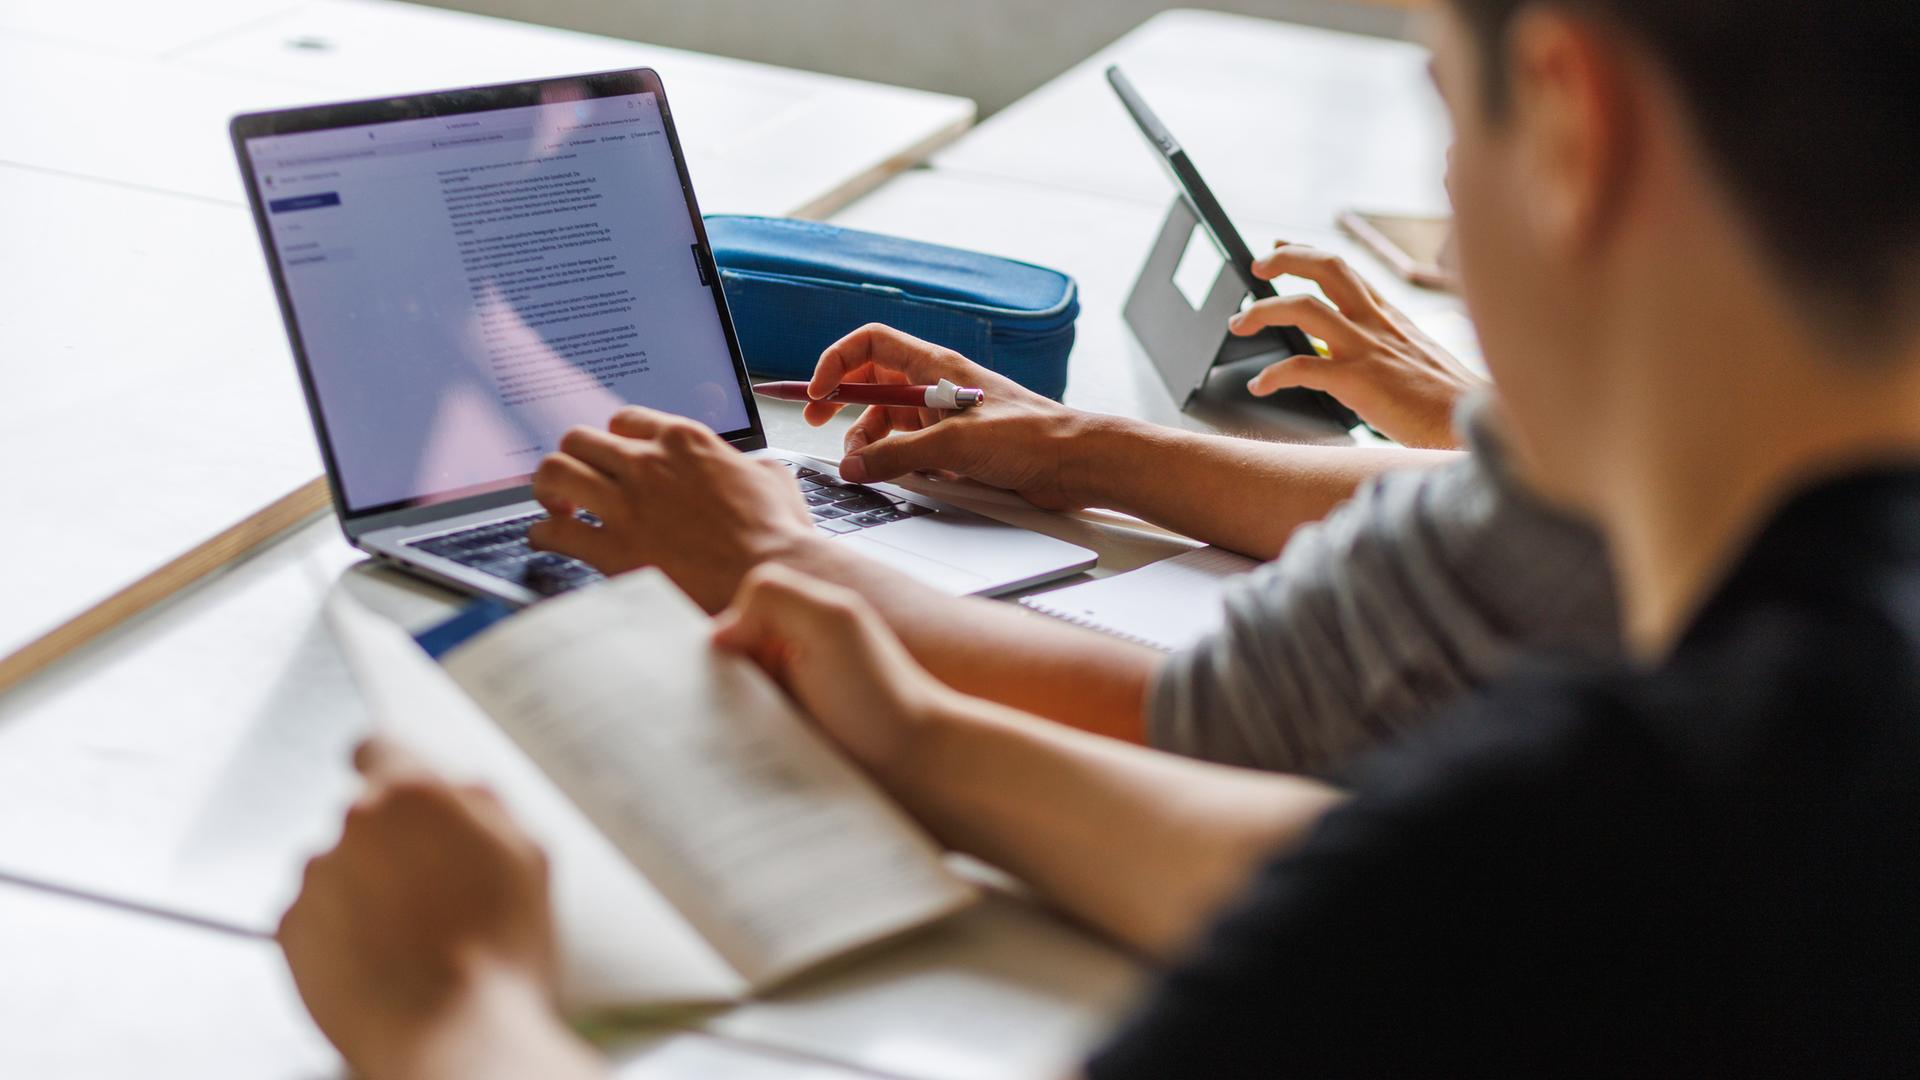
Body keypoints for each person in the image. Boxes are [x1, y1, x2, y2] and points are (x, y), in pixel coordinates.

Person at [282, 0, 1920, 1072]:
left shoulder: (1636, 831)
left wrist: (454, 1014)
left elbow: (1452, 902)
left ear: (1568, 113)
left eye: (1446, 105)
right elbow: (1354, 879)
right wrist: (924, 737)